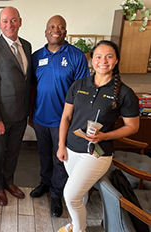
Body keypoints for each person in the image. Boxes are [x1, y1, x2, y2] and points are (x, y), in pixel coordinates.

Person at [56, 40, 139, 232]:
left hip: (97, 154)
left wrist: (105, 136)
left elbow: (132, 126)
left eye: (109, 56)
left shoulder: (125, 93)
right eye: (98, 56)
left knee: (70, 194)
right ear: (91, 60)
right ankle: (78, 224)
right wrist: (61, 145)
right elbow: (66, 117)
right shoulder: (79, 85)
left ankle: (78, 230)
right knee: (80, 193)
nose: (103, 61)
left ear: (116, 60)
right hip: (70, 150)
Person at [29, 15, 90, 217]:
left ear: (65, 31)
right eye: (52, 27)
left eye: (61, 27)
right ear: (46, 31)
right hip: (39, 118)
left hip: (63, 121)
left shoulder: (76, 56)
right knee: (44, 154)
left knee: (61, 158)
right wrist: (30, 114)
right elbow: (31, 89)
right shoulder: (36, 56)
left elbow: (82, 93)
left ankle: (57, 194)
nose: (56, 30)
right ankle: (45, 183)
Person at [0, 6, 32, 206]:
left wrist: (28, 113)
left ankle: (9, 181)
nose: (9, 24)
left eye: (13, 20)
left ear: (20, 21)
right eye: (5, 21)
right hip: (1, 117)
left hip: (20, 115)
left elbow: (26, 81)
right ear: (0, 24)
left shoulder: (27, 46)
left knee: (13, 151)